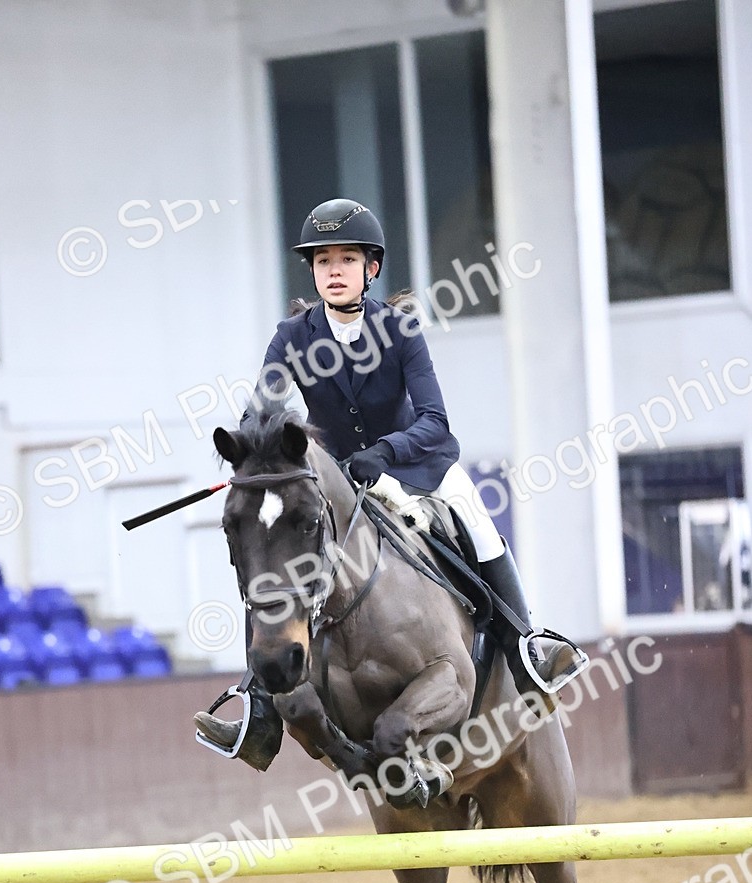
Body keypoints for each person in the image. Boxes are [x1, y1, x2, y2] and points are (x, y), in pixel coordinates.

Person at [195, 198, 585, 768]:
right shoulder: (291, 337)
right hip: (338, 480)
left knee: (477, 521)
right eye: (323, 261)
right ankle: (259, 708)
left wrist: (383, 453)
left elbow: (434, 420)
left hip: (413, 466)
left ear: (370, 268)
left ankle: (526, 646)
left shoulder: (399, 329)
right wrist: (252, 458)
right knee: (270, 547)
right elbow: (261, 413)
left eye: (346, 260)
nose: (334, 270)